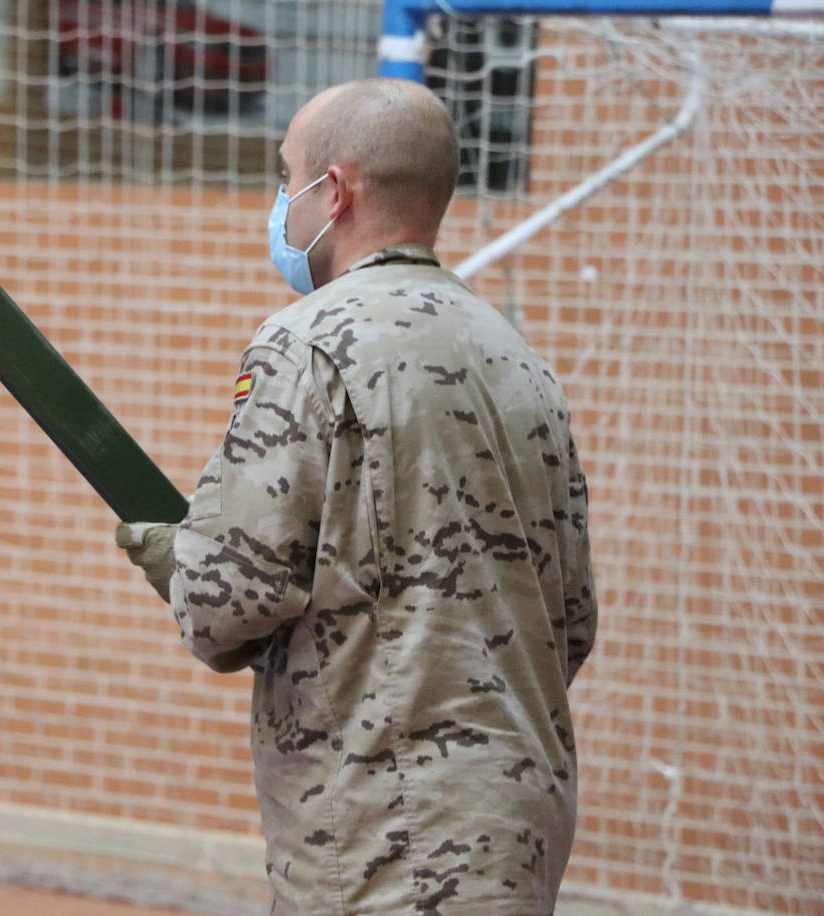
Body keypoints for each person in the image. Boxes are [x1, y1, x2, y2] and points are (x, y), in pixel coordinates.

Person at [116, 78, 597, 915]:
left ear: (333, 191)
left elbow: (226, 605)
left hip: (387, 838)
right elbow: (574, 618)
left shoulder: (308, 344)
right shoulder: (518, 357)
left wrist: (181, 560)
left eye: (286, 176)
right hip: (518, 825)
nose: (280, 202)